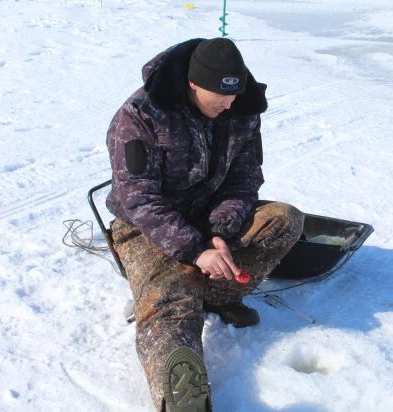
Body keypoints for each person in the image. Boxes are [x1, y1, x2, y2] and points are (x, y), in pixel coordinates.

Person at [105, 38, 304, 412]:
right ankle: (181, 395)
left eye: (233, 96)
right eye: (218, 97)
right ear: (193, 84)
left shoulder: (242, 109)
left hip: (209, 219)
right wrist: (195, 250)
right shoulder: (141, 114)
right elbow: (139, 199)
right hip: (148, 227)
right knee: (168, 301)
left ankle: (218, 295)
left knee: (284, 220)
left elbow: (244, 179)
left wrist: (218, 231)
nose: (227, 105)